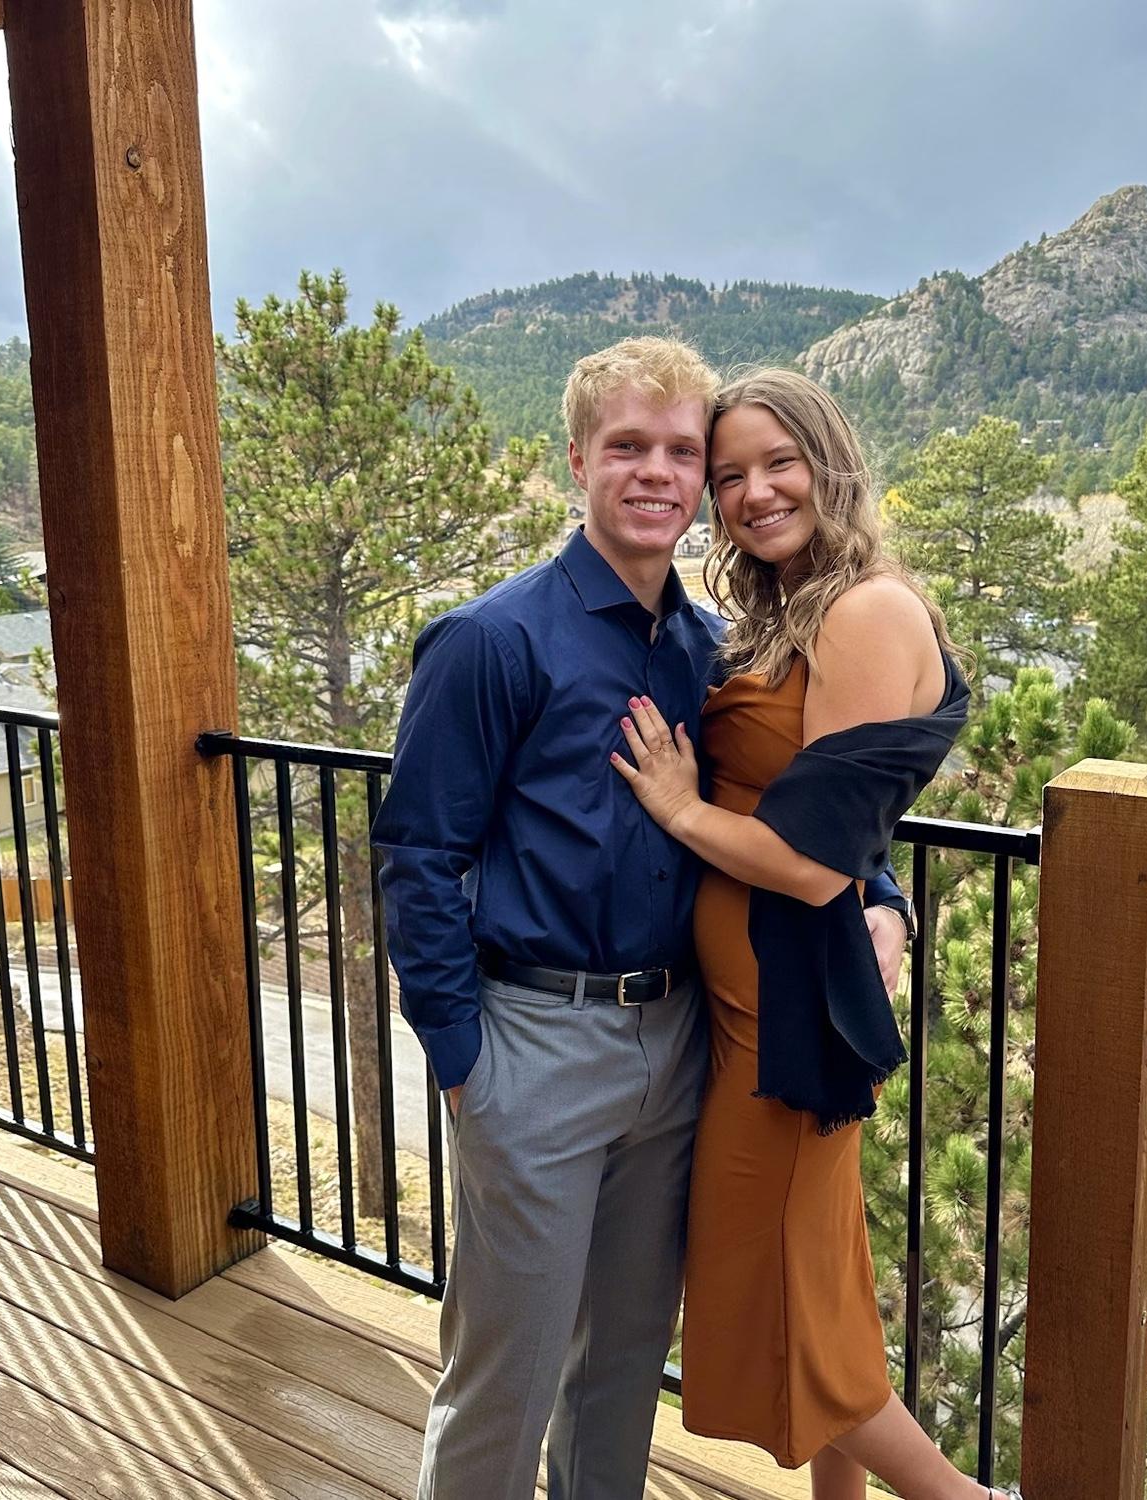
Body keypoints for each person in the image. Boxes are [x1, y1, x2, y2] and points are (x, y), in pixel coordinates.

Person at [371, 336, 912, 1500]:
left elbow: (807, 801)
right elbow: (418, 857)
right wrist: (464, 1062)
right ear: (577, 459)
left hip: (680, 1045)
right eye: (628, 447)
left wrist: (884, 897)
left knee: (620, 1366)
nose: (657, 473)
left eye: (681, 451)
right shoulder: (492, 641)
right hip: (536, 1045)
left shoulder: (708, 649)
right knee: (507, 1371)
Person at [610, 368, 1022, 1500]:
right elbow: (840, 825)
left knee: (785, 1305)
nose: (753, 492)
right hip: (753, 1005)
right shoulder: (791, 605)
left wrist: (680, 809)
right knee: (820, 1292)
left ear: (830, 462)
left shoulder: (867, 610)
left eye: (778, 463)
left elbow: (812, 861)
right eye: (729, 474)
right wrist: (889, 898)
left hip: (786, 1016)